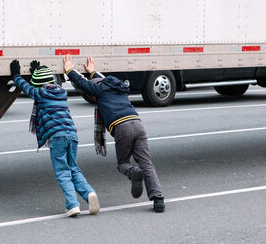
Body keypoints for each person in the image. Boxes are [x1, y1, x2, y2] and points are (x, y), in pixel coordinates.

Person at [64, 55, 165, 213]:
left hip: (121, 127)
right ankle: (158, 200)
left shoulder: (100, 90)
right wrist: (92, 72)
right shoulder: (121, 88)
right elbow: (103, 80)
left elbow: (82, 83)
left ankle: (133, 172)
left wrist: (70, 71)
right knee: (147, 163)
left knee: (123, 163)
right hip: (138, 124)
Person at [9, 59, 100, 217]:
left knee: (62, 172)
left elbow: (26, 87)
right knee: (73, 169)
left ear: (38, 85)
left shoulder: (40, 94)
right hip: (72, 134)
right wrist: (36, 73)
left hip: (57, 137)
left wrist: (16, 75)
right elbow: (38, 84)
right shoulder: (61, 93)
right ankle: (89, 193)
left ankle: (72, 205)